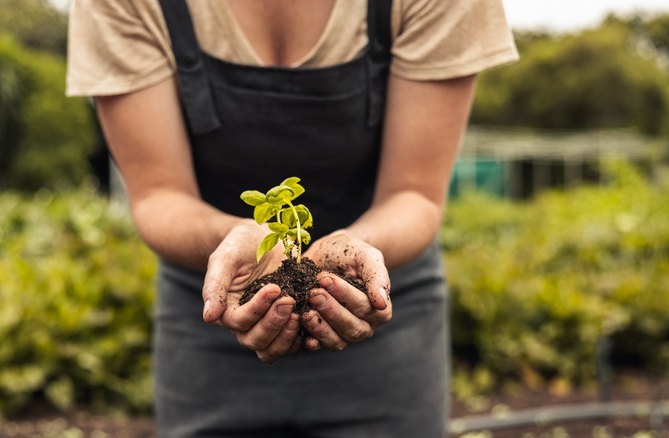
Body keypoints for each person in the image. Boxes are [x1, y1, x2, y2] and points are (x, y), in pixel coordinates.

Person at [67, 0, 518, 436]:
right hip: (214, 309)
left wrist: (355, 247)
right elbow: (159, 194)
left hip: (383, 306)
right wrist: (235, 236)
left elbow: (414, 192)